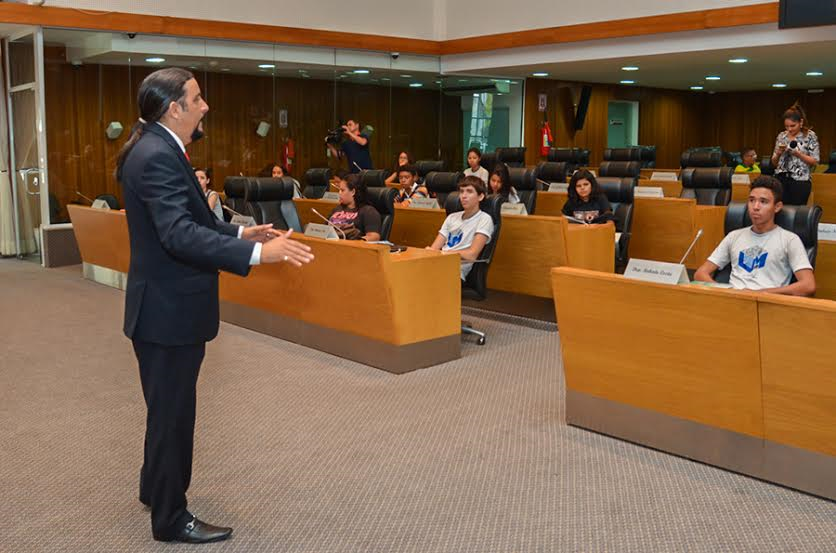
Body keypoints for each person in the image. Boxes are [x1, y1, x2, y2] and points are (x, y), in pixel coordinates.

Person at [115, 67, 314, 544]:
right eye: (198, 98)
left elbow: (194, 220)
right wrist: (261, 254)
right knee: (173, 416)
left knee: (165, 409)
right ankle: (170, 516)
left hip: (164, 308)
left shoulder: (155, 146)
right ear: (174, 108)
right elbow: (178, 235)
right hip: (168, 313)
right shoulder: (158, 155)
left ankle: (153, 488)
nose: (206, 106)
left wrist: (243, 232)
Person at [695, 176, 815, 296]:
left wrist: (758, 293)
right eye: (752, 200)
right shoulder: (734, 236)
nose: (755, 207)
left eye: (763, 202)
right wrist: (726, 292)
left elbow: (808, 285)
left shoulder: (789, 240)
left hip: (767, 304)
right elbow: (700, 274)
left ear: (777, 207)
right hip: (732, 301)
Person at [427, 175, 494, 281]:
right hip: (439, 263)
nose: (464, 196)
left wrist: (443, 254)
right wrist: (431, 252)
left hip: (455, 271)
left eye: (469, 191)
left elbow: (471, 255)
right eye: (462, 191)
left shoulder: (485, 219)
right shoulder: (451, 217)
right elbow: (434, 248)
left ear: (480, 197)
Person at [770, 102, 819, 205]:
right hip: (780, 179)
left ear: (801, 122)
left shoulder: (810, 136)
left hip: (800, 181)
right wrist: (778, 154)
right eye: (786, 126)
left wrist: (799, 154)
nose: (789, 129)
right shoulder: (781, 136)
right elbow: (774, 163)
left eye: (793, 126)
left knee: (796, 212)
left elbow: (814, 161)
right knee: (779, 209)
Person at [327, 173, 382, 241]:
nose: (339, 193)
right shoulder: (337, 209)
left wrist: (356, 242)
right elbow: (324, 230)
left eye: (342, 190)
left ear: (353, 192)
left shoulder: (368, 211)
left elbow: (374, 237)